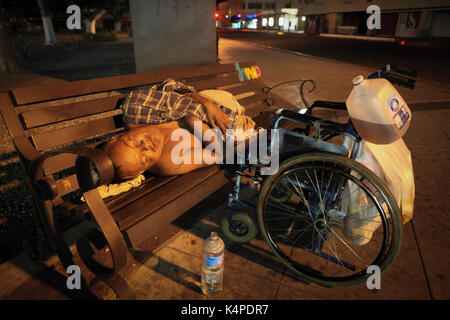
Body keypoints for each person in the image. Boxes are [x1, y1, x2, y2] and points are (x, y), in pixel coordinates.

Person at [104, 78, 256, 180]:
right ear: (144, 170)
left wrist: (207, 104)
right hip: (231, 126)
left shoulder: (137, 109)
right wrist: (194, 123)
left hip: (215, 102)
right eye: (145, 160)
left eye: (133, 143)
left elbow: (177, 89)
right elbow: (222, 154)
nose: (145, 146)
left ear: (120, 135)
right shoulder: (169, 162)